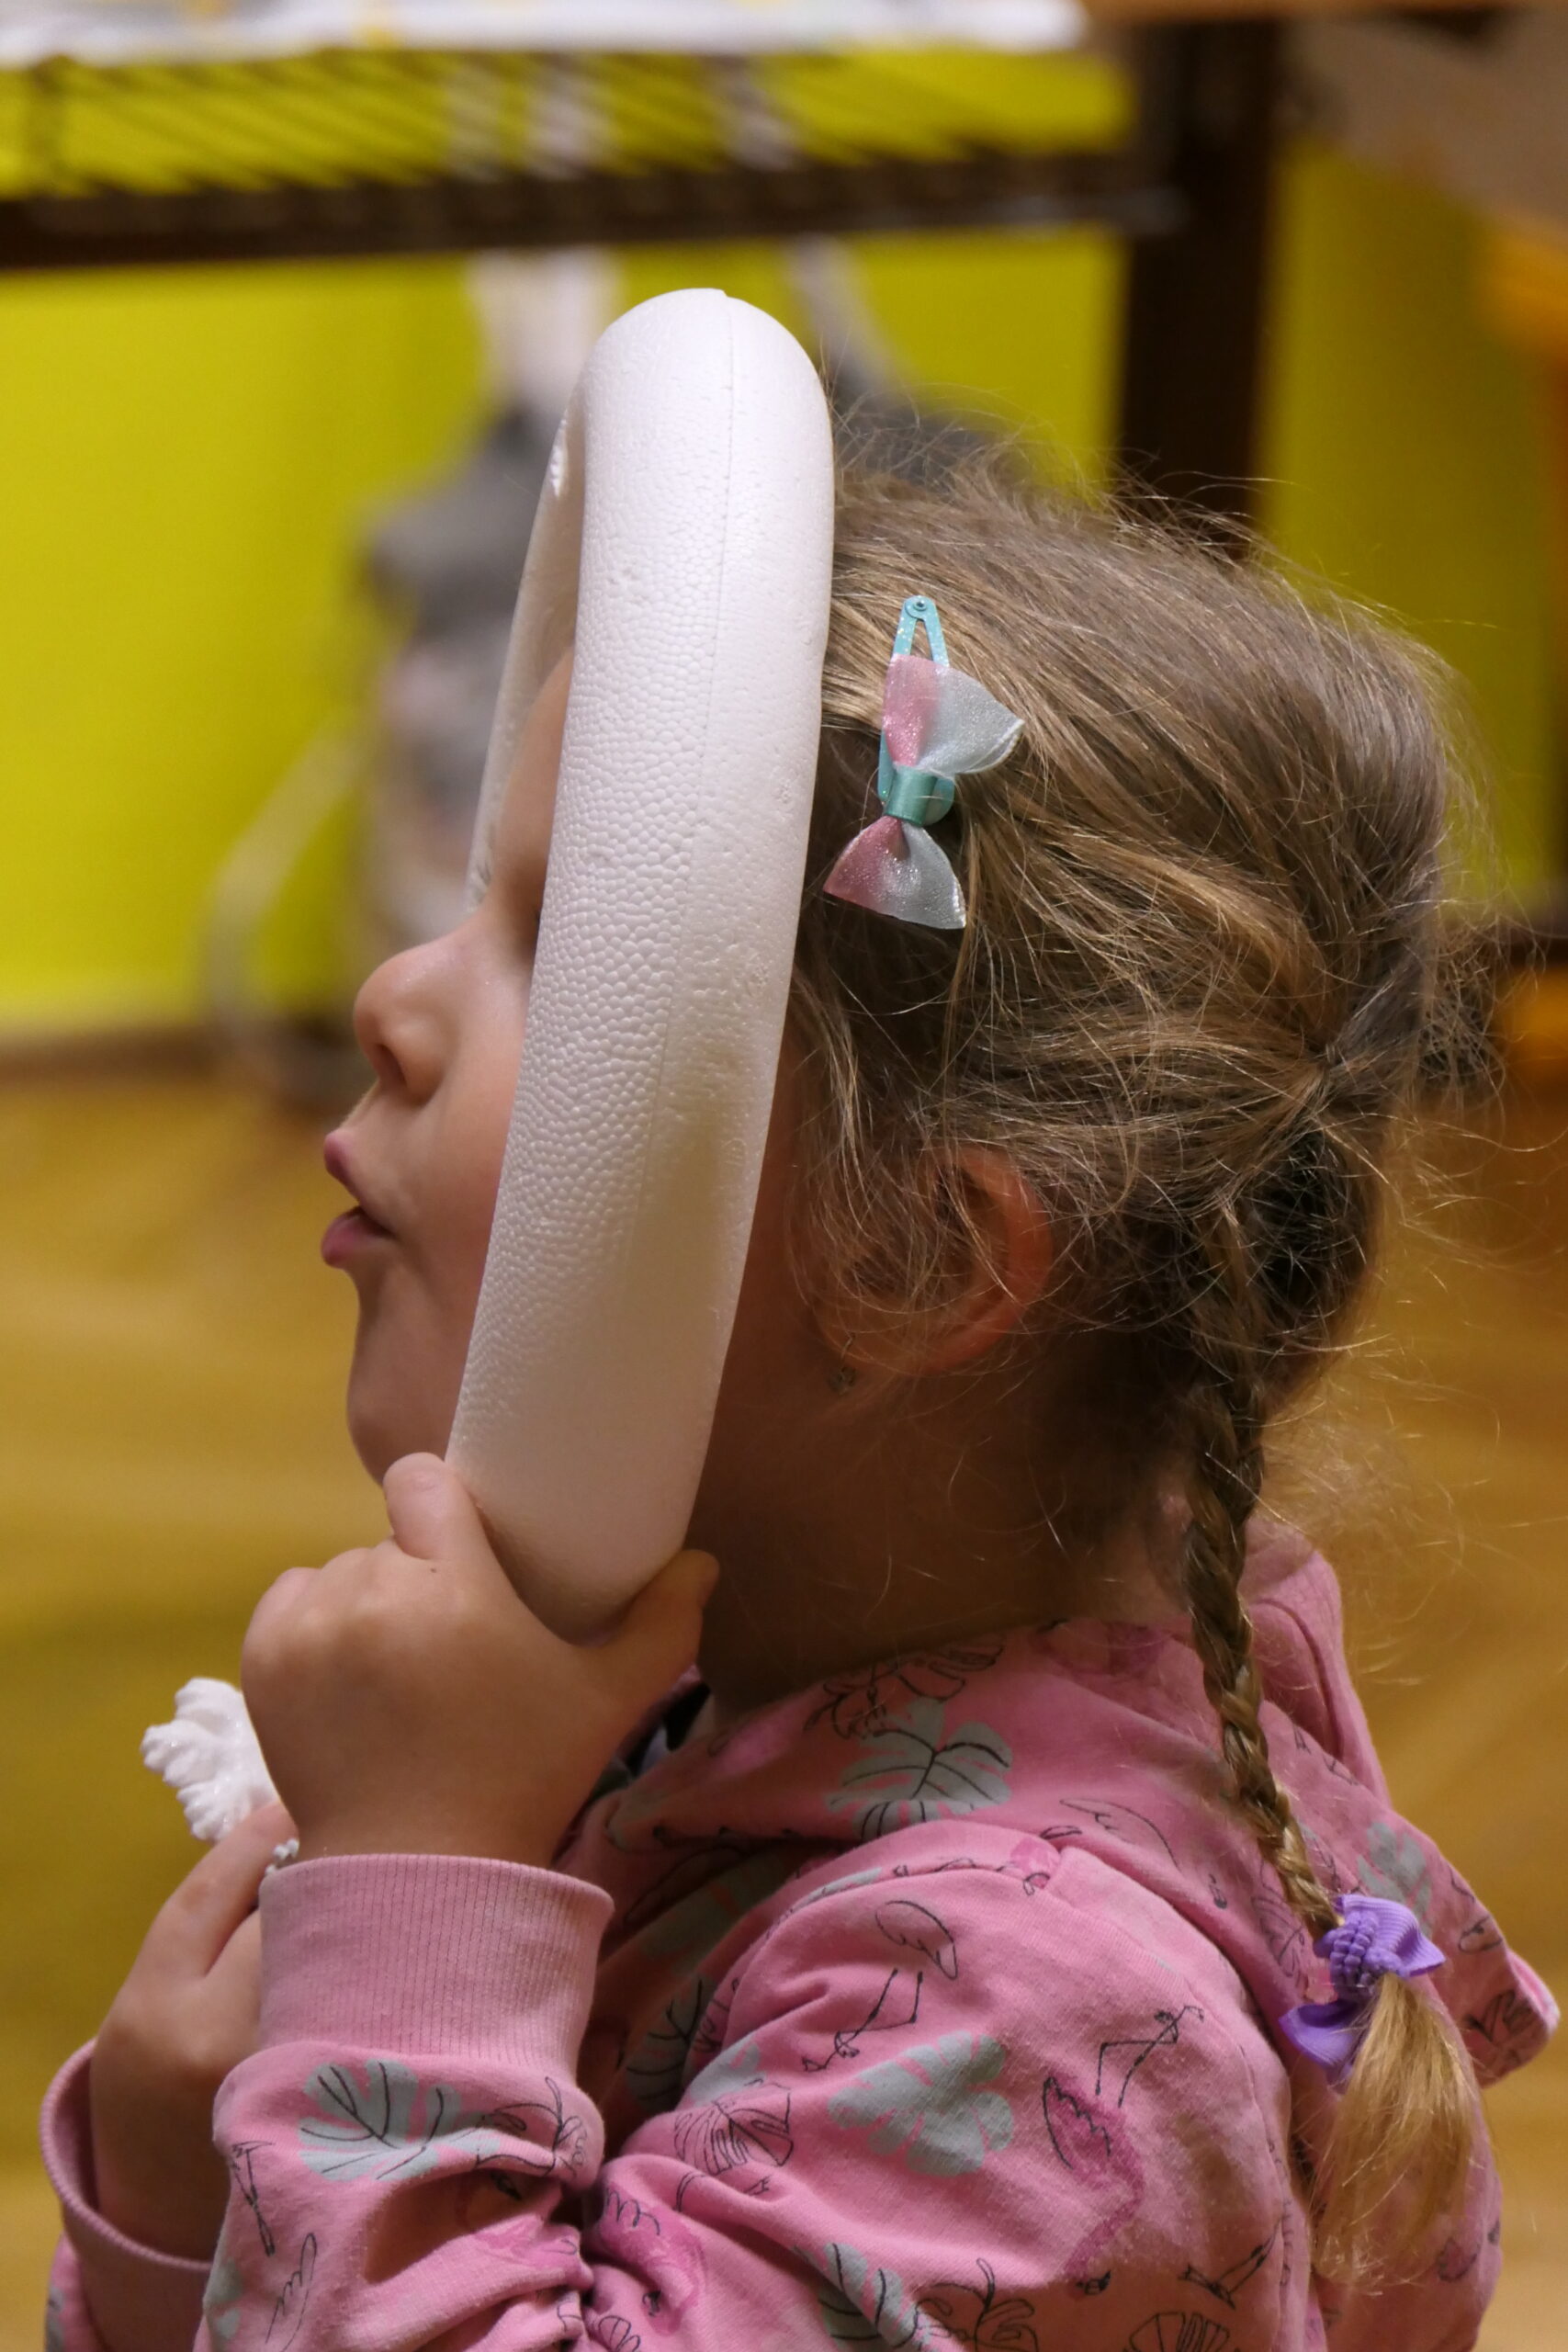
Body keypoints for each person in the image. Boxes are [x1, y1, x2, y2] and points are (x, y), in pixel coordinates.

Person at [41, 460, 1555, 2351]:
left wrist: (413, 1926)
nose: (392, 999)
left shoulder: (1034, 2023)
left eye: (558, 949)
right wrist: (181, 2197)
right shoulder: (689, 1673)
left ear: (917, 1254)